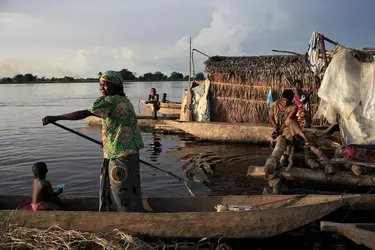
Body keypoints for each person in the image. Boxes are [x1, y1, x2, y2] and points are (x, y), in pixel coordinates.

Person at [42, 70, 145, 212]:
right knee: (131, 186)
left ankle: (125, 219)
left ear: (116, 86)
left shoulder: (110, 101)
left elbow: (85, 113)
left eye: (106, 85)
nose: (102, 87)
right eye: (101, 84)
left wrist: (57, 117)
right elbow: (122, 126)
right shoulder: (125, 101)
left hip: (119, 153)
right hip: (131, 152)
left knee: (120, 189)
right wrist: (107, 141)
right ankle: (134, 211)